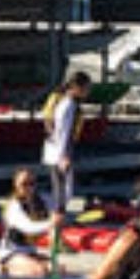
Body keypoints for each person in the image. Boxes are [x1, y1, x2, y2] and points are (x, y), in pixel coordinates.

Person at [0, 168, 64, 279]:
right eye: (24, 184)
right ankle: (4, 267)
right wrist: (51, 223)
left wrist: (62, 176)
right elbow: (29, 227)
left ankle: (31, 267)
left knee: (60, 270)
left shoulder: (43, 200)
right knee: (39, 271)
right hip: (11, 253)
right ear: (16, 185)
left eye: (32, 183)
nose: (29, 187)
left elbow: (61, 204)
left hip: (30, 252)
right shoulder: (13, 206)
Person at [40, 72, 88, 211]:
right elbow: (63, 131)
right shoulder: (69, 105)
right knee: (63, 192)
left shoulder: (63, 101)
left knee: (62, 190)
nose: (88, 92)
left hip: (55, 150)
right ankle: (57, 222)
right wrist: (64, 156)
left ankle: (57, 219)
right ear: (76, 87)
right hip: (59, 153)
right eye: (86, 88)